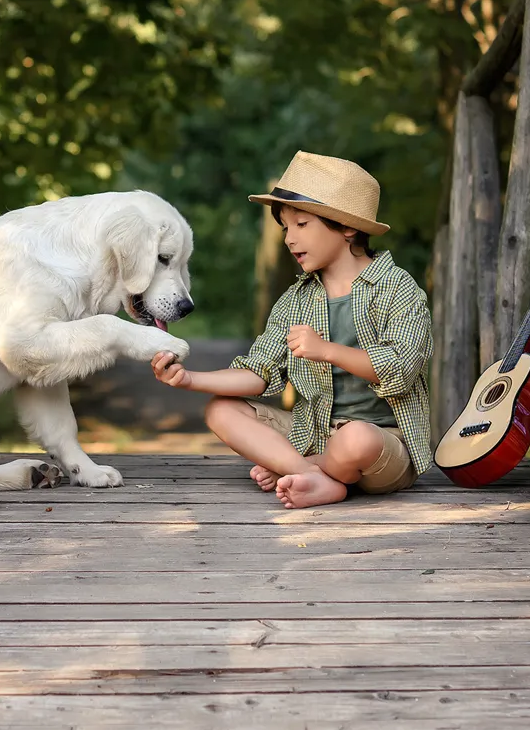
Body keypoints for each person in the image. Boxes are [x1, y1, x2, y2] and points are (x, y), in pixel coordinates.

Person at [151, 151, 434, 508]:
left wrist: (327, 350)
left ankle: (305, 468)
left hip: (382, 446)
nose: (289, 239)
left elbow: (400, 370)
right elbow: (258, 373)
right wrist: (190, 379)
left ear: (347, 227)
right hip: (313, 434)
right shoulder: (295, 300)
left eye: (302, 224)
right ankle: (314, 475)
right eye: (286, 228)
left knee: (356, 440)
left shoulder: (398, 288)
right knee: (220, 410)